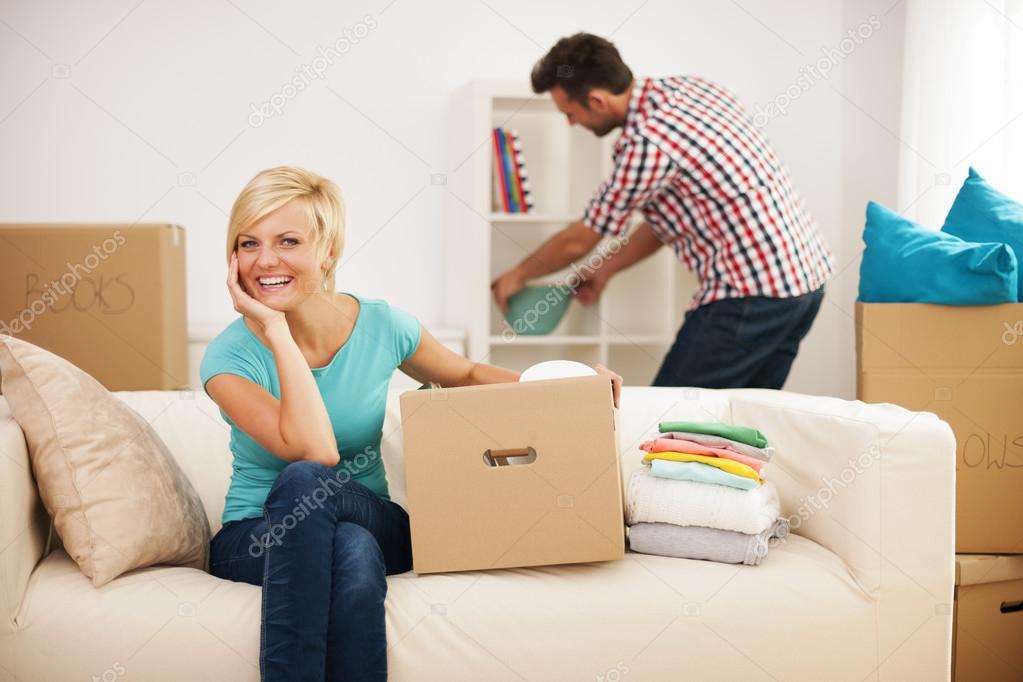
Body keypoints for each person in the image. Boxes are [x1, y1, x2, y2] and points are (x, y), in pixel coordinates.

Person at [199, 166, 621, 681]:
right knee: (341, 536)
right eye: (248, 244)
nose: (265, 261)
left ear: (328, 252)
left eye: (288, 241)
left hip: (374, 516)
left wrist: (572, 390)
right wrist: (276, 333)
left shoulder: (380, 324)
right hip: (257, 535)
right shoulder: (228, 359)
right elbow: (314, 450)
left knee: (331, 507)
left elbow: (463, 373)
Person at [491, 33, 834, 389]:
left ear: (596, 100)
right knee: (744, 421)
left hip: (751, 293)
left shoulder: (647, 141)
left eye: (570, 113)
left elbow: (580, 240)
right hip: (804, 285)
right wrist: (606, 269)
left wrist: (517, 276)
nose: (571, 123)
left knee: (667, 420)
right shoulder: (695, 90)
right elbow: (668, 220)